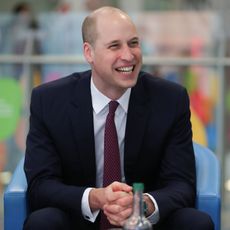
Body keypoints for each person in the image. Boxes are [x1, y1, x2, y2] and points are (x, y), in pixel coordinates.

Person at [23, 6, 214, 230]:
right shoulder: (49, 101)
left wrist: (140, 204)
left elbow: (181, 184)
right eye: (115, 46)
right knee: (42, 223)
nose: (128, 55)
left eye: (133, 43)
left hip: (145, 222)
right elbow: (40, 185)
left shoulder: (170, 99)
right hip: (80, 219)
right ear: (89, 53)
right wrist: (96, 198)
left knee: (196, 223)